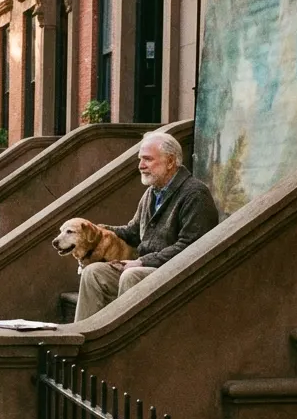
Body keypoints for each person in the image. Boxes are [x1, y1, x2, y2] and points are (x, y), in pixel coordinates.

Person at [74, 132, 219, 322]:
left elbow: (191, 247)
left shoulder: (195, 194)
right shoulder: (152, 193)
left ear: (170, 161)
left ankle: (123, 344)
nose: (140, 166)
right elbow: (133, 232)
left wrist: (143, 262)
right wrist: (94, 231)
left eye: (148, 159)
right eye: (140, 159)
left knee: (131, 275)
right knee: (93, 273)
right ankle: (83, 336)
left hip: (178, 274)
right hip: (147, 269)